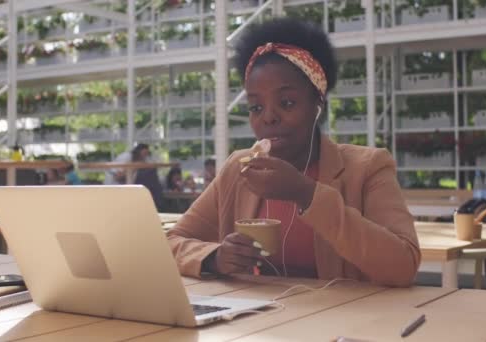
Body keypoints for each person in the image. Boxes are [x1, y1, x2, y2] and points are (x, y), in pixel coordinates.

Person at [166, 18, 420, 287]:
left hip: (342, 321)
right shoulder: (238, 169)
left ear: (317, 104)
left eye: (286, 103)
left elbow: (403, 265)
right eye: (256, 107)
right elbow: (171, 242)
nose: (269, 118)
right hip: (257, 321)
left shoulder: (368, 168)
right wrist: (214, 257)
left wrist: (307, 194)